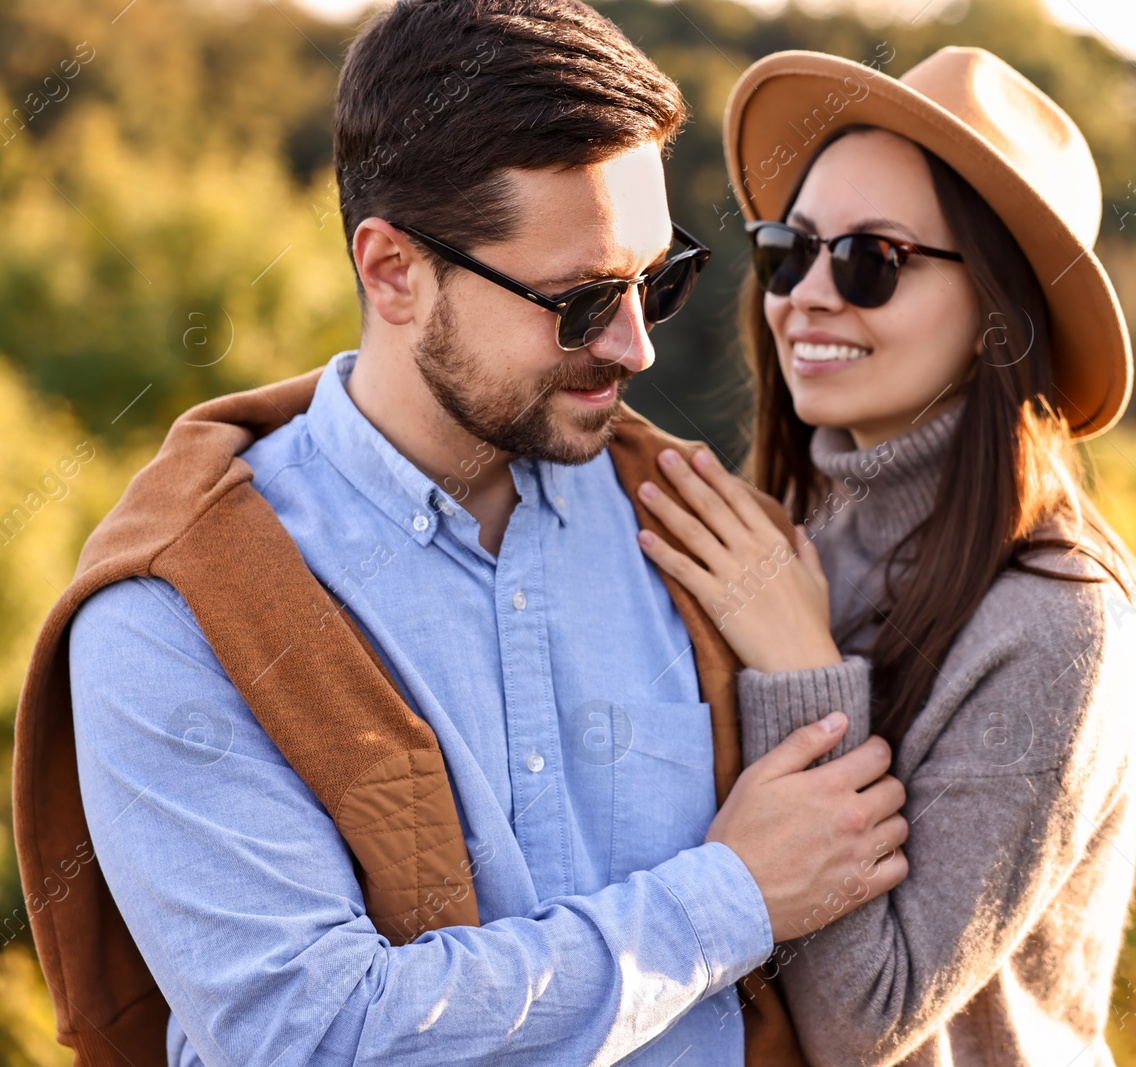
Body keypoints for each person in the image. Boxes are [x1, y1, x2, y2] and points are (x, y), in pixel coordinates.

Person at [13, 4, 907, 1066]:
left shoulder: (711, 545)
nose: (635, 347)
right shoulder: (173, 614)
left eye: (658, 282)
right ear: (392, 269)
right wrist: (730, 895)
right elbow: (316, 1036)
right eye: (580, 301)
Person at [631, 47, 1136, 1065]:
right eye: (789, 249)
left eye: (871, 260)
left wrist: (802, 674)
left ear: (996, 317)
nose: (806, 296)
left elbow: (863, 1023)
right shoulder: (771, 542)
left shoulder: (1059, 620)